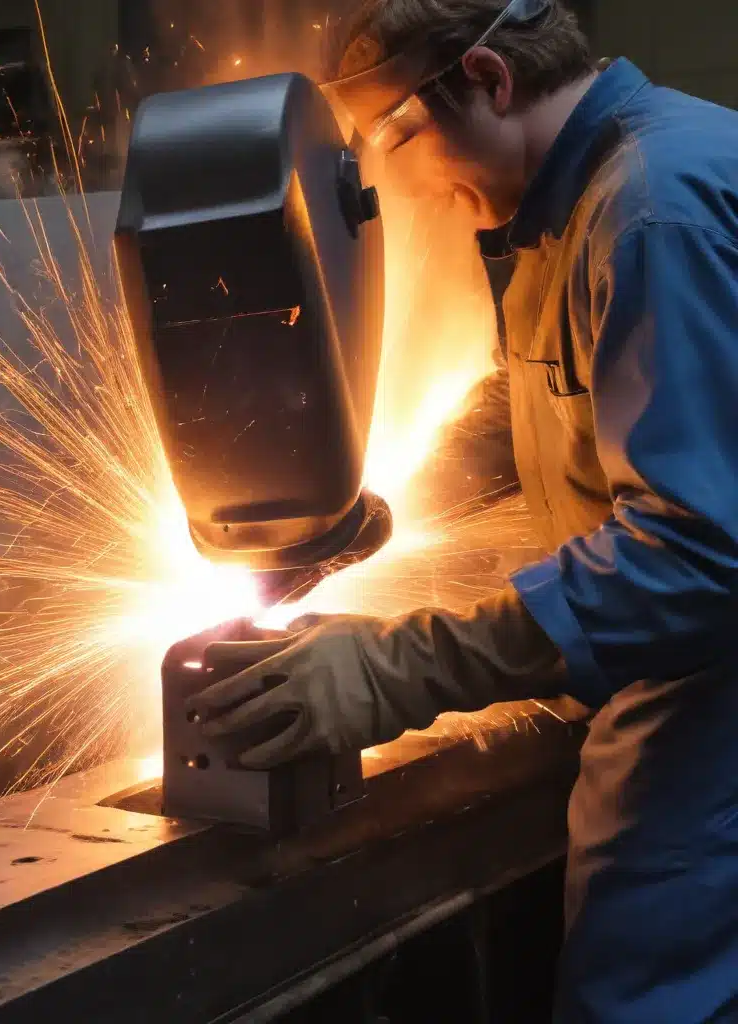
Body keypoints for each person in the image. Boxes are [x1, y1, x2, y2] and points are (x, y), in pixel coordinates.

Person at [186, 1, 738, 1020]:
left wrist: (398, 667)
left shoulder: (653, 212)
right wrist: (341, 507)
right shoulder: (585, 208)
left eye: (398, 135)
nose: (399, 177)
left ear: (487, 79)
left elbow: (699, 557)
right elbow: (571, 422)